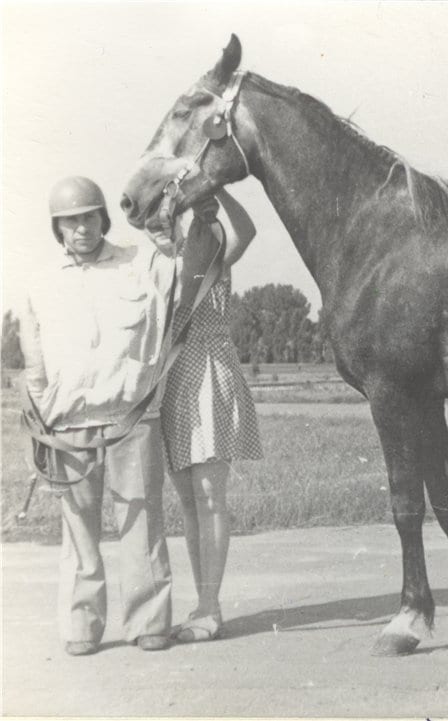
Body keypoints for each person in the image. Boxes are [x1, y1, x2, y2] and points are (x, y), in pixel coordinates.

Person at [20, 176, 177, 655]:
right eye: (71, 221)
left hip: (131, 418)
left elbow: (193, 263)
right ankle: (82, 626)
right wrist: (45, 410)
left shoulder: (140, 263)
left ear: (103, 218)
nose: (82, 228)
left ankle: (148, 621)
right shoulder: (42, 282)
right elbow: (34, 356)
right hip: (68, 425)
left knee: (142, 520)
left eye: (89, 217)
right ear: (58, 228)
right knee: (78, 530)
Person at [147, 187, 262, 643]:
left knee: (210, 495)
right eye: (154, 220)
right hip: (170, 384)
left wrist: (213, 189)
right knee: (189, 503)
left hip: (210, 374)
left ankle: (210, 608)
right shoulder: (146, 271)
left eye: (167, 216)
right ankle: (202, 604)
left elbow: (248, 231)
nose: (161, 226)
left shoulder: (210, 256)